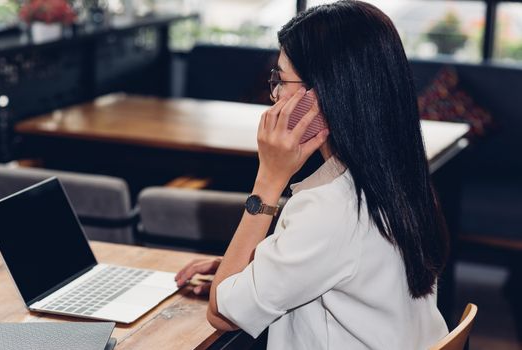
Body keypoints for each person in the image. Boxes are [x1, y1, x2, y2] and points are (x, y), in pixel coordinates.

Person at [175, 1, 449, 349]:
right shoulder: (402, 182)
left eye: (280, 79)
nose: (274, 96)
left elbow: (222, 314)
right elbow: (335, 260)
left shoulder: (330, 208)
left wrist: (268, 180)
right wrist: (252, 270)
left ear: (322, 96)